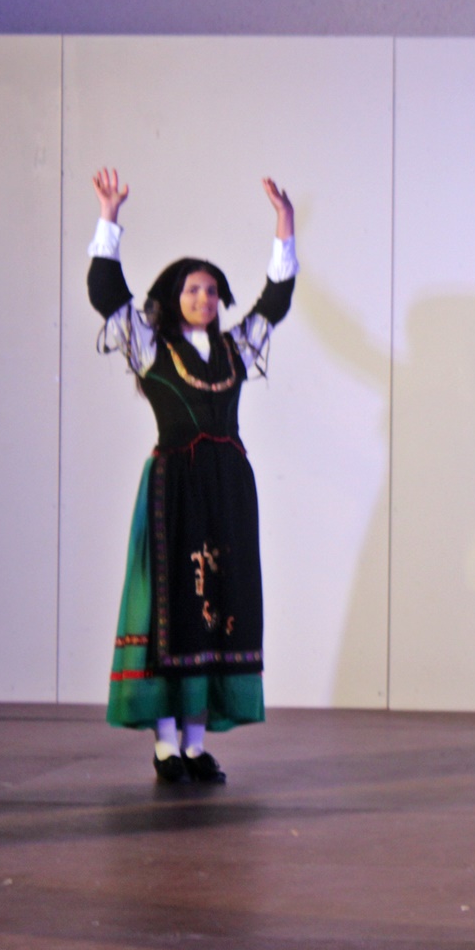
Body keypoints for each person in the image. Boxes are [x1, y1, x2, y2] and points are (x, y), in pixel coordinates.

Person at [88, 167, 297, 785]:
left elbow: (275, 302)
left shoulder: (236, 348)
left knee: (219, 607)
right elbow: (106, 293)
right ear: (173, 297)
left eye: (211, 291)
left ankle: (197, 745)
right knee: (172, 611)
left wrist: (284, 227)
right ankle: (165, 749)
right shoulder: (150, 346)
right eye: (193, 290)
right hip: (174, 492)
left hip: (227, 489)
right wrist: (109, 218)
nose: (204, 299)